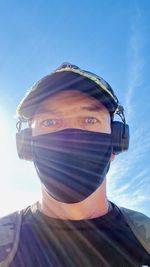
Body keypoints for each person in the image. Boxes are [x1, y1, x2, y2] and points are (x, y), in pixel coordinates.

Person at [0, 63, 150, 267]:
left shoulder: (145, 238)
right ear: (26, 146)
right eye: (50, 122)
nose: (70, 140)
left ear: (116, 142)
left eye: (90, 119)